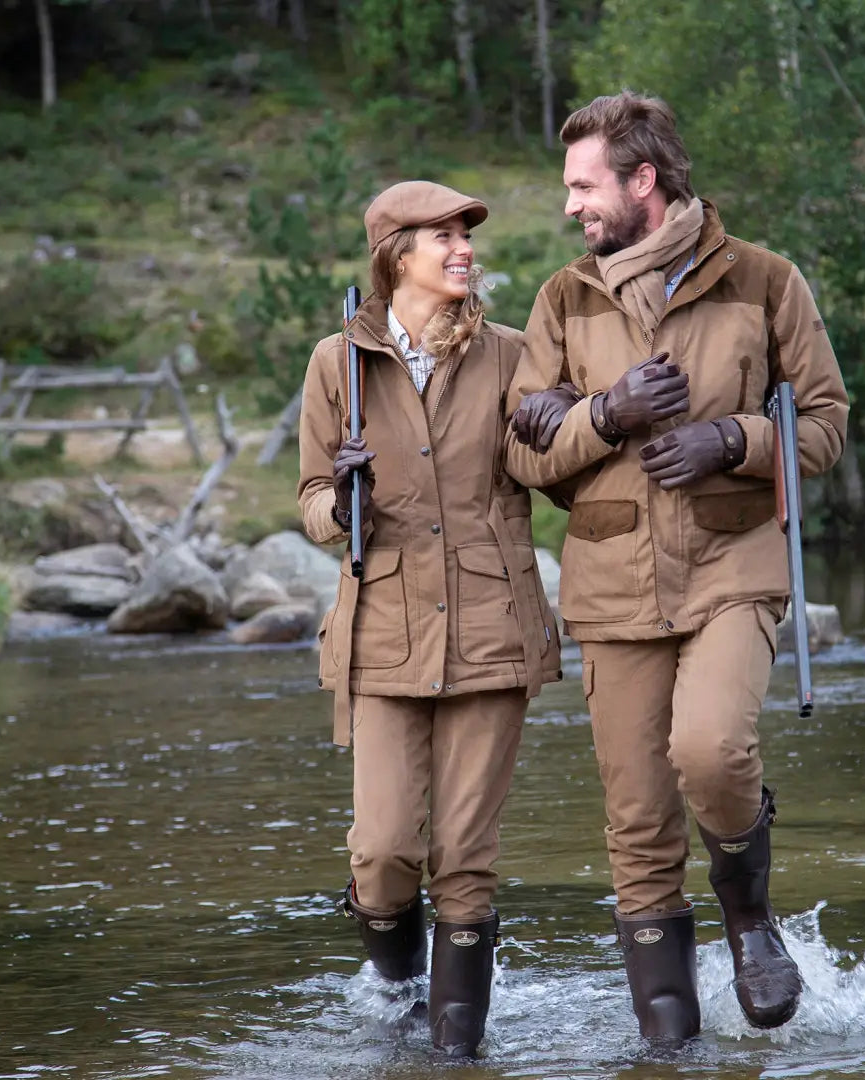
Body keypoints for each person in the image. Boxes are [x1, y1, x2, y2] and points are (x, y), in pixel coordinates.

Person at [505, 92, 848, 1041]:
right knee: (638, 823)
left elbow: (822, 429)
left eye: (584, 185)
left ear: (641, 179)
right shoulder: (561, 300)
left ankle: (750, 923)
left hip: (735, 562)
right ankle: (669, 1047)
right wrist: (602, 416)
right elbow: (523, 456)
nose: (572, 205)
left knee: (710, 749)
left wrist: (728, 440)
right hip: (611, 583)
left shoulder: (767, 281)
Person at [298, 180, 562, 1057]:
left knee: (465, 860)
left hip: (493, 625)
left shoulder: (515, 353)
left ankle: (455, 1052)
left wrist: (577, 419)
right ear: (394, 254)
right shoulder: (336, 364)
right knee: (381, 855)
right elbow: (306, 504)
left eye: (465, 235)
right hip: (381, 633)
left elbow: (545, 468)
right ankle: (399, 985)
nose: (462, 249)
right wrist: (341, 498)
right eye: (441, 236)